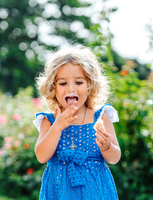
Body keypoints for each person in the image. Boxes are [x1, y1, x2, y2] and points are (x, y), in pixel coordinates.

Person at [33, 45, 121, 199]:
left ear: (90, 85)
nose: (71, 88)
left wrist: (107, 147)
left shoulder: (100, 117)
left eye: (79, 82)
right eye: (63, 83)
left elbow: (114, 158)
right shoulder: (49, 120)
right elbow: (41, 156)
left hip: (95, 192)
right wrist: (57, 127)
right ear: (53, 87)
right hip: (59, 192)